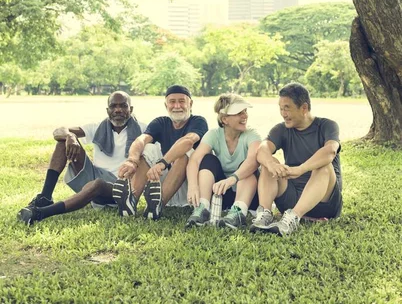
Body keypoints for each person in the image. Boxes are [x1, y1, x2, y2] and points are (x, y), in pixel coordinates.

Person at [17, 91, 146, 226]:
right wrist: (70, 136)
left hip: (121, 188)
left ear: (130, 109)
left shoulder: (143, 129)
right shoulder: (97, 127)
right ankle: (45, 197)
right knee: (63, 141)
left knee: (98, 184)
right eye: (113, 106)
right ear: (108, 110)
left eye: (123, 106)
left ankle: (40, 213)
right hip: (94, 177)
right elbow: (59, 131)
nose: (118, 110)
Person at [251, 82, 342, 236]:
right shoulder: (281, 129)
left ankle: (293, 218)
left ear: (304, 108)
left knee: (324, 166)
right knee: (269, 162)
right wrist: (271, 164)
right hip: (290, 198)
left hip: (324, 202)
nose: (283, 113)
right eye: (280, 108)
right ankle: (265, 214)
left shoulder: (327, 126)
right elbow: (262, 150)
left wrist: (300, 169)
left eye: (287, 108)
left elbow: (330, 151)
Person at [113, 84, 208, 221]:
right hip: (163, 184)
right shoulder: (161, 122)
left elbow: (188, 141)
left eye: (181, 101)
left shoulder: (198, 121)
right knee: (148, 149)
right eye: (172, 102)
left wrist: (162, 163)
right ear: (166, 105)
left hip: (188, 188)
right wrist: (132, 160)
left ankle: (158, 204)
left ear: (190, 103)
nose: (177, 106)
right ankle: (131, 200)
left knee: (186, 153)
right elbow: (141, 140)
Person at [185, 93, 260, 230]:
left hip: (249, 196)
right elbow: (195, 160)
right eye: (239, 113)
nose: (245, 116)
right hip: (222, 194)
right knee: (208, 159)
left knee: (247, 166)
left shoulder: (251, 134)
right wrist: (192, 186)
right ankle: (203, 208)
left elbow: (253, 162)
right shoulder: (214, 135)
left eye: (245, 111)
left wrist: (231, 179)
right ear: (224, 119)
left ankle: (238, 213)